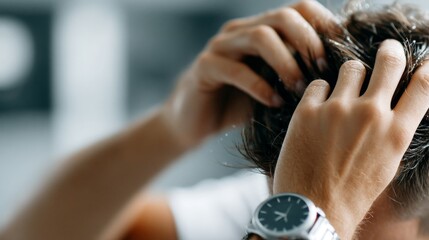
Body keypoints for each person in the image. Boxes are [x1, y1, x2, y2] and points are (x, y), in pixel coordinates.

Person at [0, 0, 428, 240]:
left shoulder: (301, 210)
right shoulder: (285, 198)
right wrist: (169, 130)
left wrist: (308, 219)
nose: (331, 225)